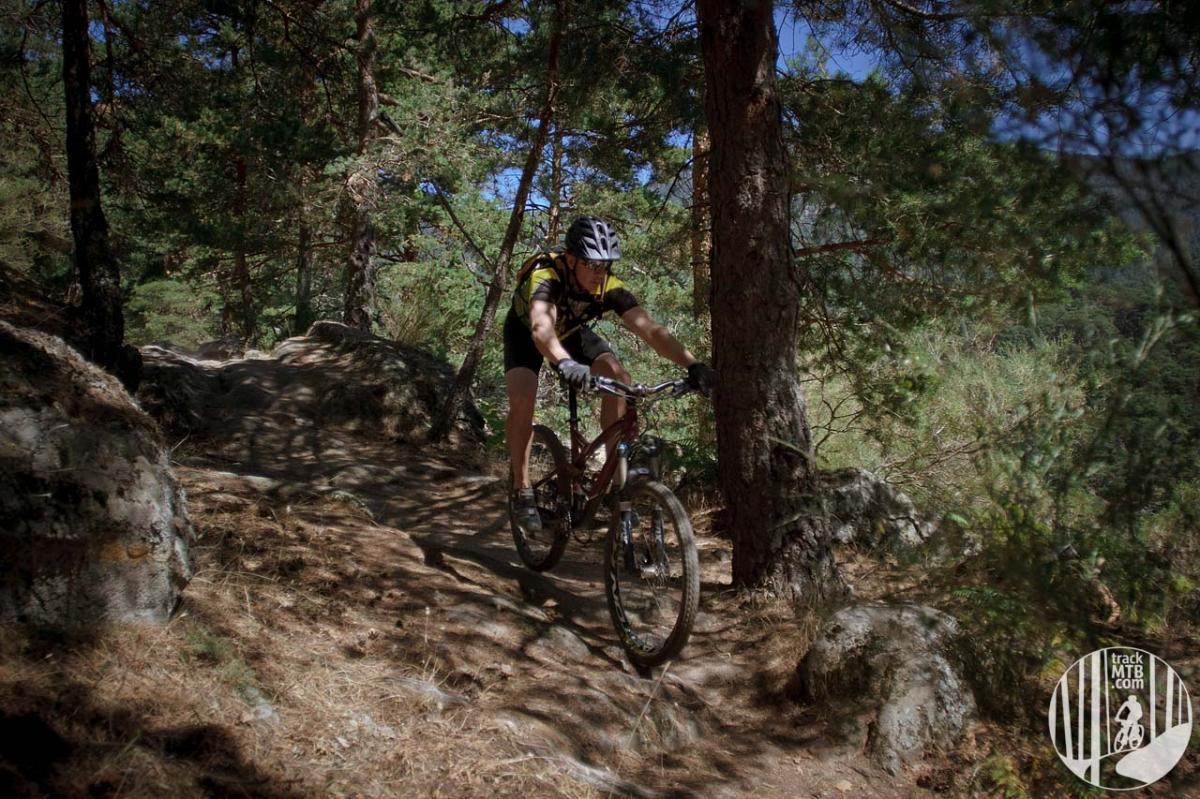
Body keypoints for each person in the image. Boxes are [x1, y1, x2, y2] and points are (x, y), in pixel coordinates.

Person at [504, 215, 714, 534]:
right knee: (523, 399)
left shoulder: (608, 287)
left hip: (571, 333)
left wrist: (693, 365)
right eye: (592, 264)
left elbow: (650, 330)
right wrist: (564, 363)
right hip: (526, 334)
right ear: (572, 259)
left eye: (606, 265)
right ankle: (522, 489)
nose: (600, 273)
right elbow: (540, 327)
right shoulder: (546, 276)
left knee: (618, 377)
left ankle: (618, 485)